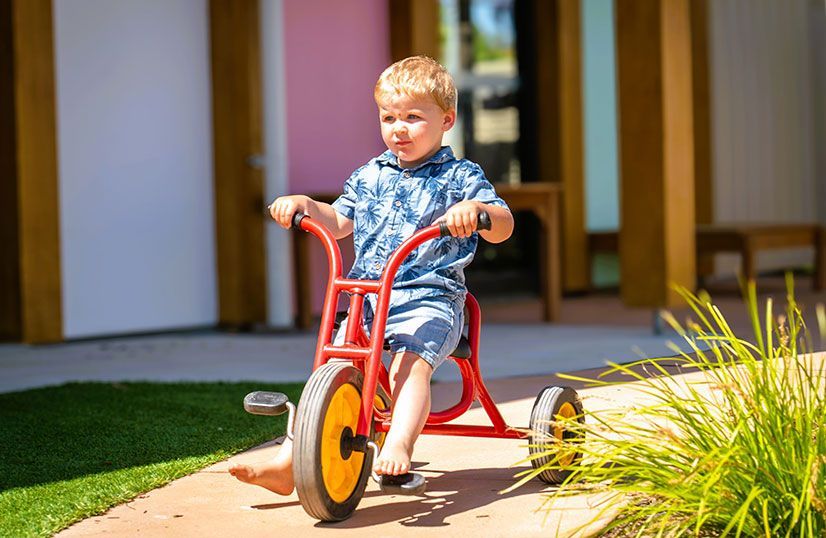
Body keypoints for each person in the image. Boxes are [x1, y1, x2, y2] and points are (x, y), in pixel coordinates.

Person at [229, 56, 514, 495]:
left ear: (447, 120)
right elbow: (339, 220)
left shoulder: (461, 176)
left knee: (408, 367)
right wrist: (306, 204)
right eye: (389, 117)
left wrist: (477, 212)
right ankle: (290, 463)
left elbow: (504, 225)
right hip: (368, 297)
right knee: (330, 366)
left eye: (413, 118)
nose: (399, 128)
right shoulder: (370, 174)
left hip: (429, 298)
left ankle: (399, 445)